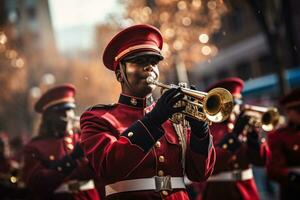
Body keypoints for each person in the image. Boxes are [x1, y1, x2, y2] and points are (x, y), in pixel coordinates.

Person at [80, 24, 216, 200]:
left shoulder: (175, 116)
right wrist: (153, 120)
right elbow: (109, 168)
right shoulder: (97, 118)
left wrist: (200, 133)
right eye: (140, 62)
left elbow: (199, 174)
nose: (149, 67)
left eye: (153, 62)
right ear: (120, 74)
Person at [192, 77, 270, 200]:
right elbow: (211, 165)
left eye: (238, 103)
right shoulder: (208, 128)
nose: (236, 108)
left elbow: (261, 161)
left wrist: (254, 137)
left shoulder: (245, 126)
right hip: (218, 192)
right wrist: (235, 134)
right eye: (232, 104)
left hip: (247, 191)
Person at [22, 84, 101, 200]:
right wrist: (71, 159)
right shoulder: (34, 147)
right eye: (61, 112)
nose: (67, 116)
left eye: (70, 110)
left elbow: (102, 173)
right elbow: (37, 183)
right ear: (48, 117)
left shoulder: (83, 138)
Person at [267, 87, 300, 199]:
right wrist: (292, 176)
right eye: (298, 111)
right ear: (289, 112)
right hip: (293, 190)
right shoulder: (278, 136)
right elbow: (273, 170)